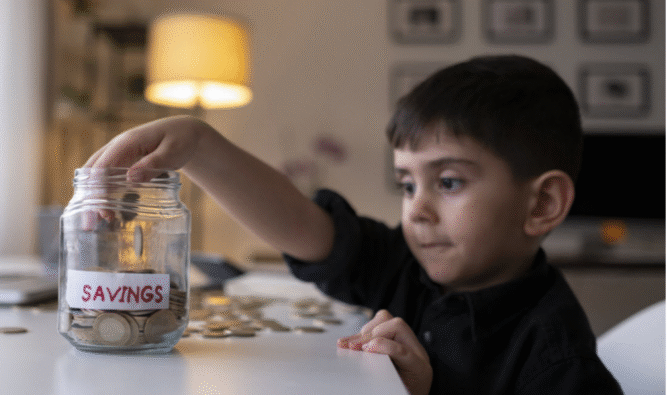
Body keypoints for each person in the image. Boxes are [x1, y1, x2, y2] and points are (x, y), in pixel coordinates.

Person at [84, 55, 622, 394]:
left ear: (543, 204)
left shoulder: (559, 365)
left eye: (450, 182)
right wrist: (198, 144)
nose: (417, 209)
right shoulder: (408, 266)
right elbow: (307, 229)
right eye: (408, 184)